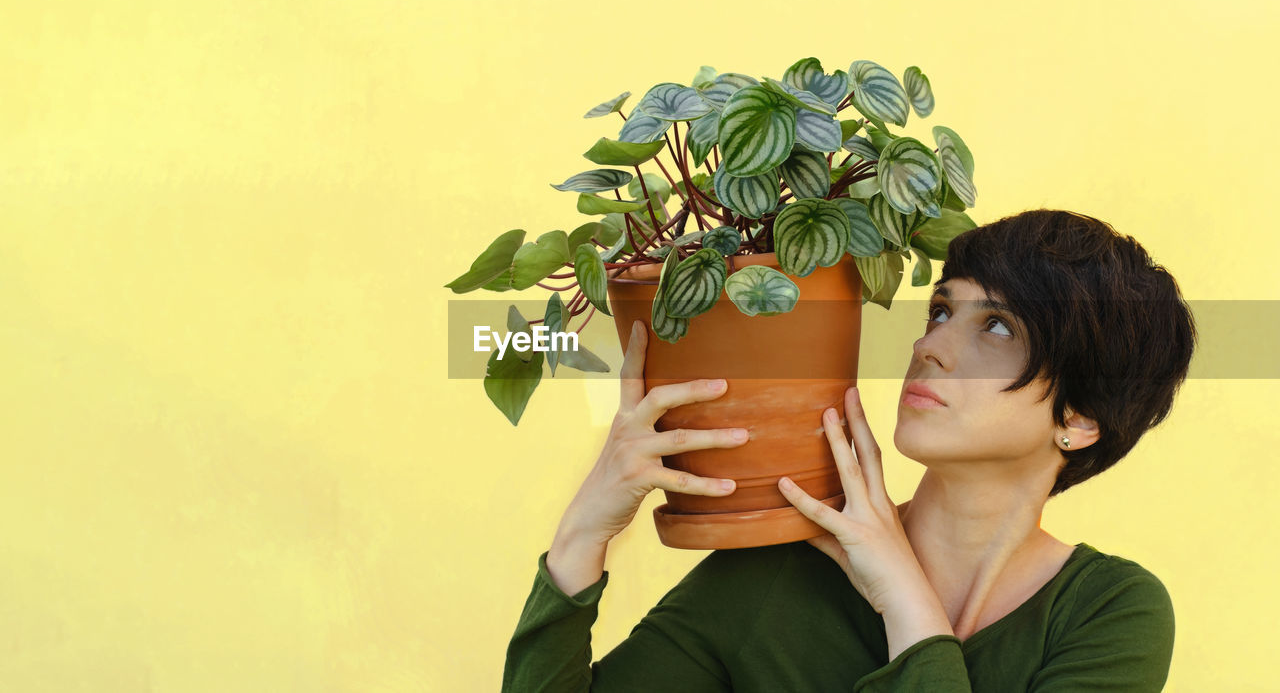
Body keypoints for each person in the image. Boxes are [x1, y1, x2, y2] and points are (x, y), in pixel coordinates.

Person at [501, 209, 1196, 691]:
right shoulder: (772, 575)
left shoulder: (1111, 612)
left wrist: (904, 598)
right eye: (942, 311)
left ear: (1080, 417)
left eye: (999, 328)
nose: (932, 348)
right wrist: (583, 533)